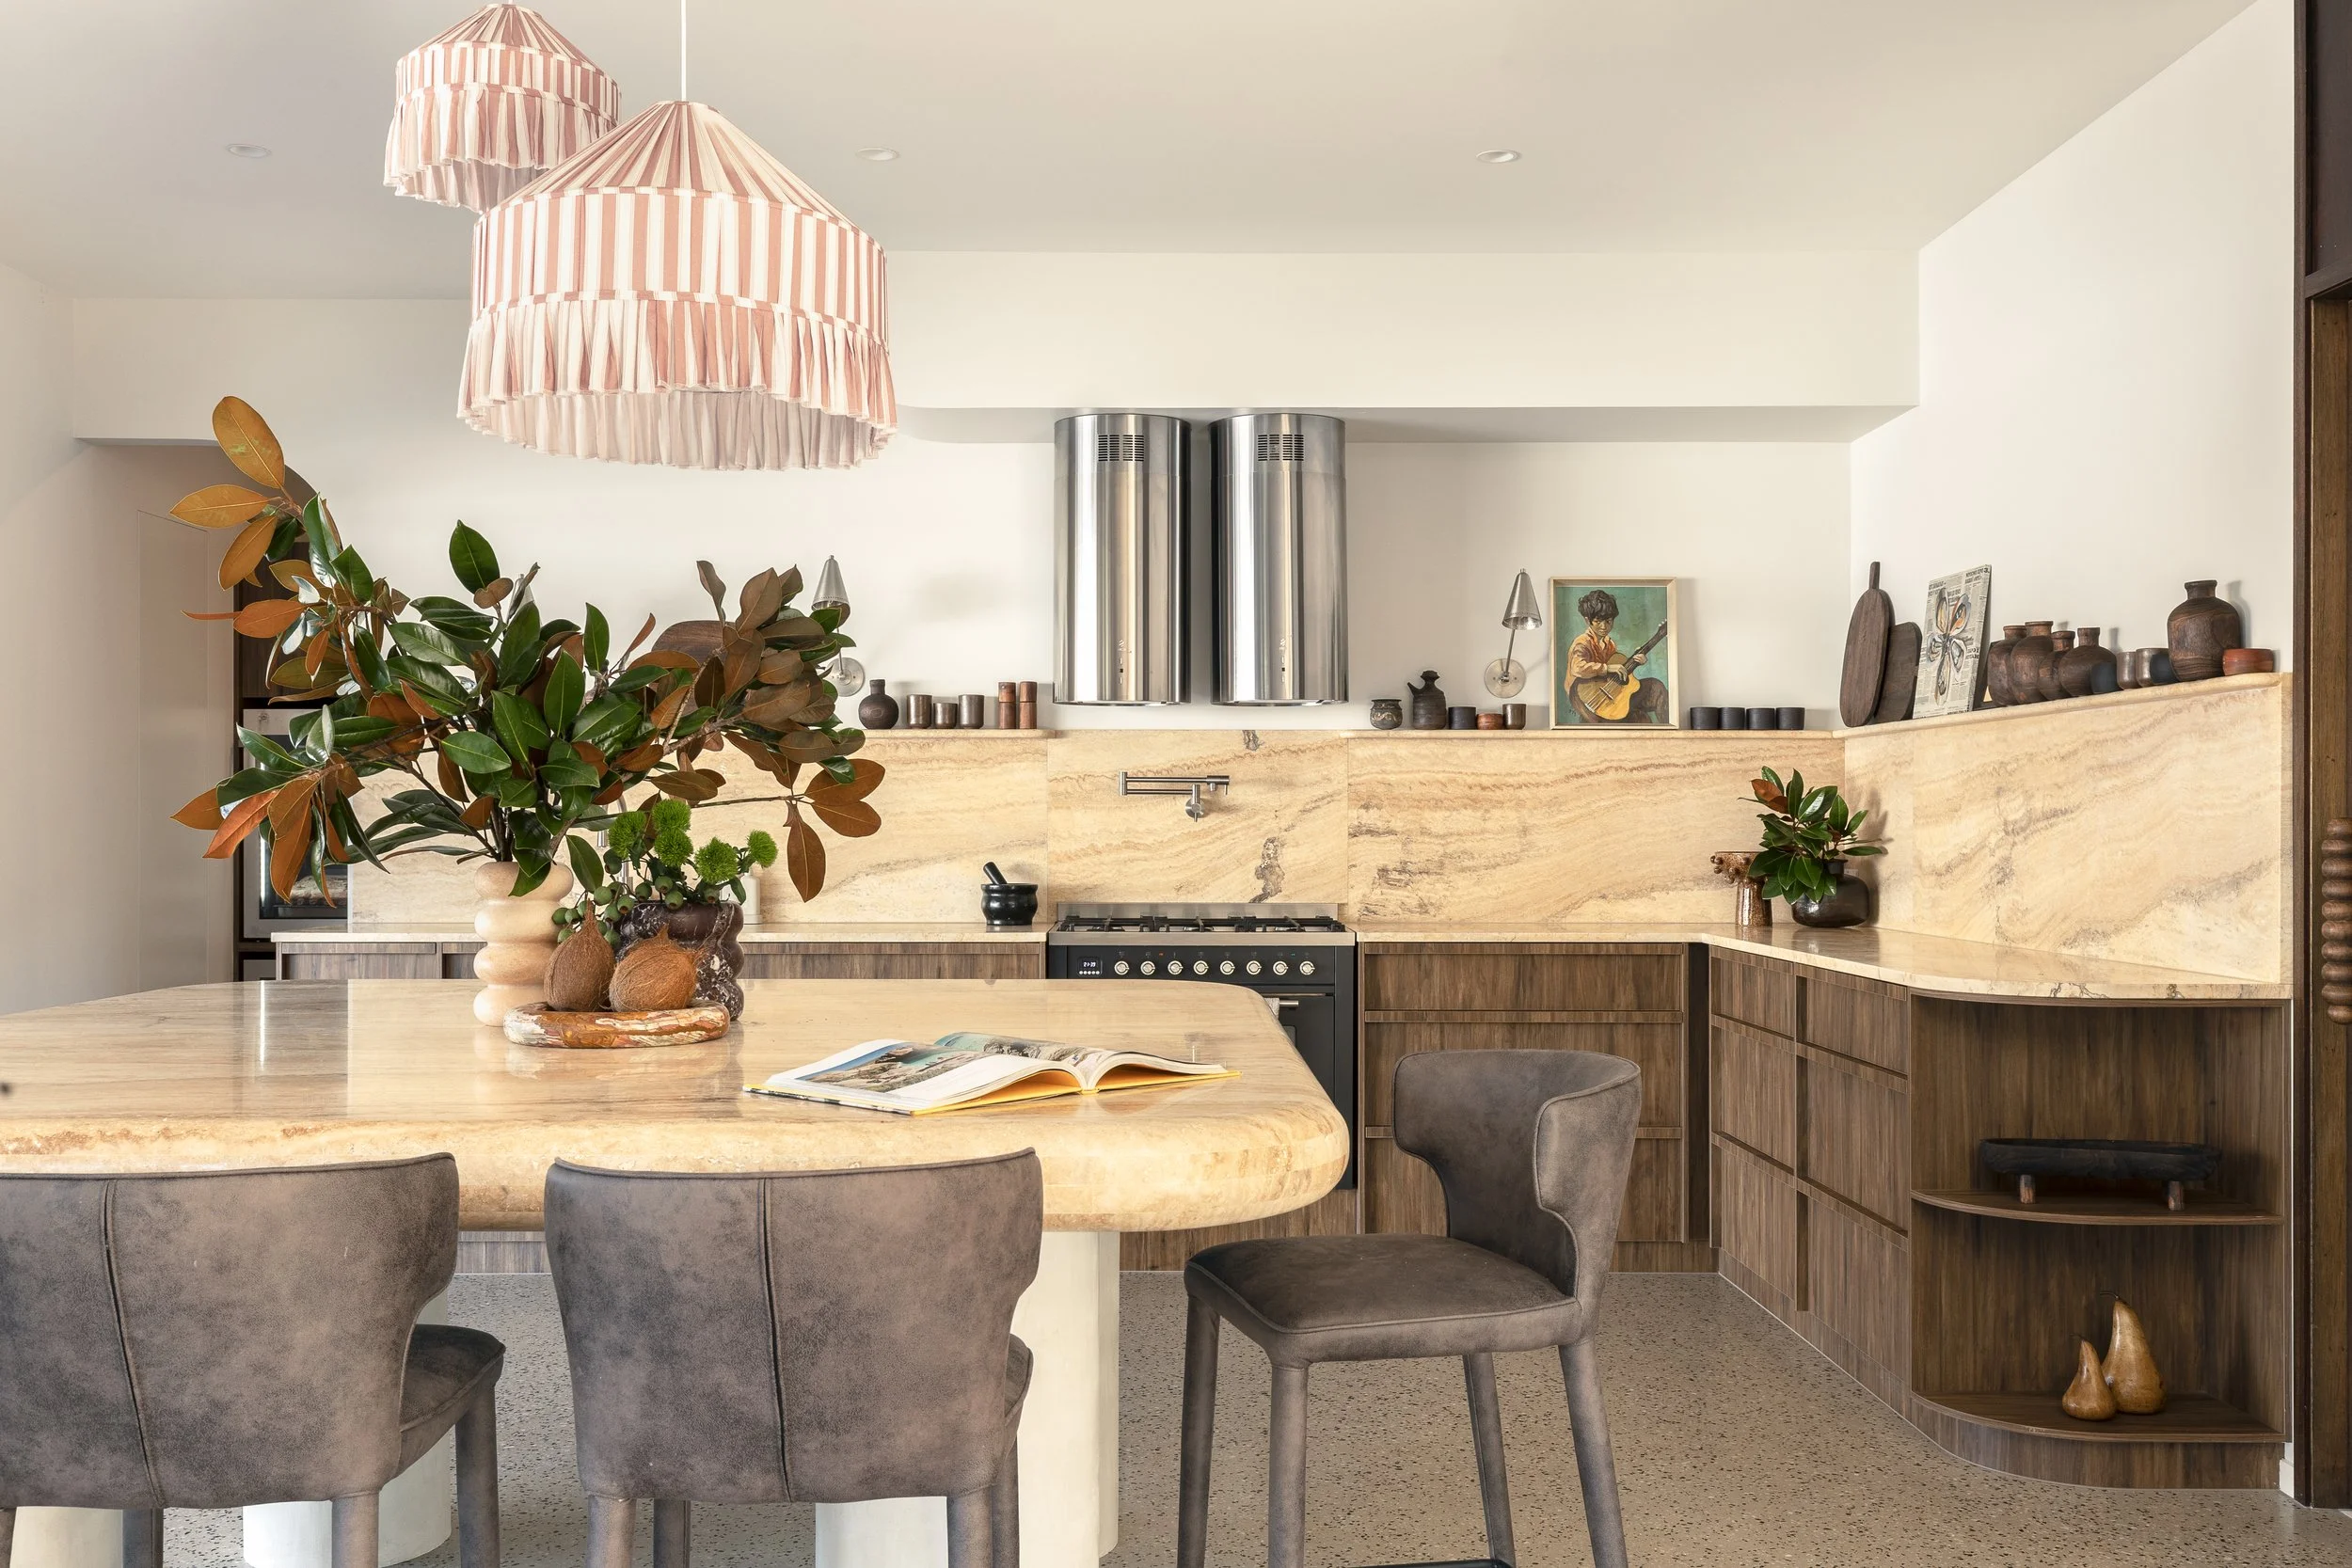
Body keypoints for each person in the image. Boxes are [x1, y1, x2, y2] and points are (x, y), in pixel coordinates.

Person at [1565, 588, 1668, 723]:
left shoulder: (1609, 644)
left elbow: (1617, 671)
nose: (1604, 626)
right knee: (1640, 720)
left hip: (1610, 693)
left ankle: (1668, 730)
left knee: (1657, 687)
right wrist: (1608, 668)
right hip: (1584, 698)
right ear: (1587, 620)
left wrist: (1636, 660)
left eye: (1608, 621)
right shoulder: (1582, 643)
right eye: (1597, 621)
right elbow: (1577, 668)